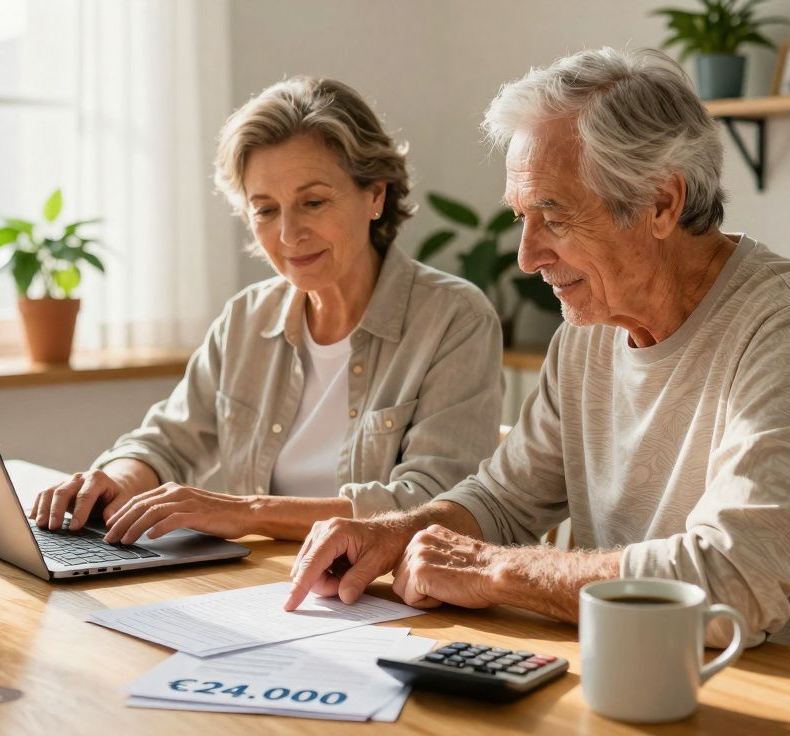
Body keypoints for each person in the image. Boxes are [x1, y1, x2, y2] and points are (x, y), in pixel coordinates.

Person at [285, 48, 790, 678]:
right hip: (650, 674)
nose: (527, 255)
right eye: (520, 217)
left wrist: (500, 571)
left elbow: (735, 579)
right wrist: (399, 531)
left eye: (554, 216)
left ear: (660, 203)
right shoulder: (589, 331)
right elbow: (505, 498)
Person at [29, 77, 503, 545]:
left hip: (386, 597)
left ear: (375, 194)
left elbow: (433, 504)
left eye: (312, 202)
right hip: (259, 591)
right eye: (265, 210)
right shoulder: (246, 319)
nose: (289, 234)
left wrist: (248, 512)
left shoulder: (455, 319)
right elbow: (166, 442)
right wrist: (116, 479)